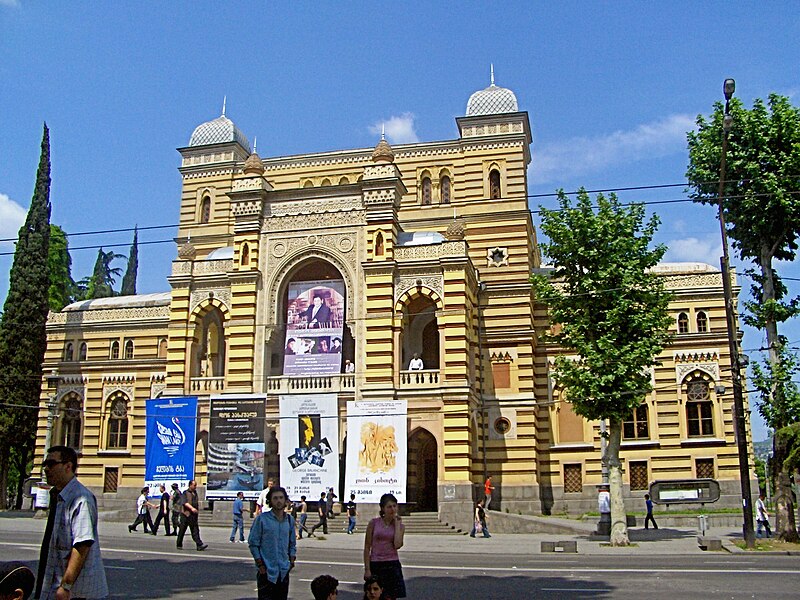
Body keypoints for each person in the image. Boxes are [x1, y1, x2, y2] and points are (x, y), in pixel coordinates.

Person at [35, 445, 108, 600]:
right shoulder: (58, 495)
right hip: (54, 585)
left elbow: (82, 544)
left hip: (77, 593)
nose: (46, 469)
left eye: (51, 464)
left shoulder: (80, 498)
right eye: (44, 465)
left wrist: (66, 585)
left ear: (68, 466)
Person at [248, 486, 296, 600]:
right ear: (270, 500)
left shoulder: (289, 520)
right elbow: (253, 543)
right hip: (267, 572)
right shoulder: (262, 519)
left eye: (281, 498)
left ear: (285, 500)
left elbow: (292, 543)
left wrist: (292, 560)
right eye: (275, 498)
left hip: (283, 572)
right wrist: (260, 564)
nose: (278, 501)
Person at [363, 493, 406, 600]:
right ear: (383, 508)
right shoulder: (374, 523)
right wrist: (367, 569)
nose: (392, 509)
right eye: (389, 507)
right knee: (374, 596)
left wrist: (396, 525)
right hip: (376, 564)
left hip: (392, 564)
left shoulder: (400, 526)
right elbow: (367, 547)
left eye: (394, 506)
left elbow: (397, 545)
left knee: (390, 597)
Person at [176, 479, 208, 551]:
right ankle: (179, 544)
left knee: (195, 530)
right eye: (194, 485)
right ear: (190, 485)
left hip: (193, 515)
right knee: (182, 530)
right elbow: (185, 503)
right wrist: (192, 508)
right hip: (185, 515)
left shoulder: (195, 492)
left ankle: (199, 545)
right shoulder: (185, 493)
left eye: (196, 485)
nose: (195, 486)